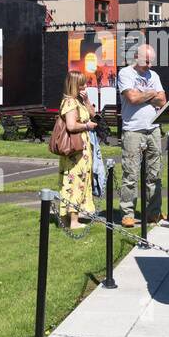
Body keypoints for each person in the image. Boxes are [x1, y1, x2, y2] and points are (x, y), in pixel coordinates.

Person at [117, 43, 167, 228]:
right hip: (133, 130)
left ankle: (153, 213)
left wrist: (143, 94)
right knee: (130, 173)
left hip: (153, 128)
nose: (150, 65)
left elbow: (163, 100)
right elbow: (132, 98)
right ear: (136, 57)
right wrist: (152, 93)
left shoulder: (154, 75)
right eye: (146, 61)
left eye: (151, 61)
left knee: (154, 173)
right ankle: (127, 214)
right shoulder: (125, 74)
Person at [57, 70, 98, 230]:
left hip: (82, 149)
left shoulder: (78, 101)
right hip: (76, 150)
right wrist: (86, 126)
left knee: (76, 181)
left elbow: (93, 114)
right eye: (82, 84)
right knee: (75, 182)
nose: (85, 86)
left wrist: (86, 100)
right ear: (74, 85)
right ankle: (73, 221)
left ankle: (66, 220)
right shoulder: (70, 102)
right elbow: (71, 125)